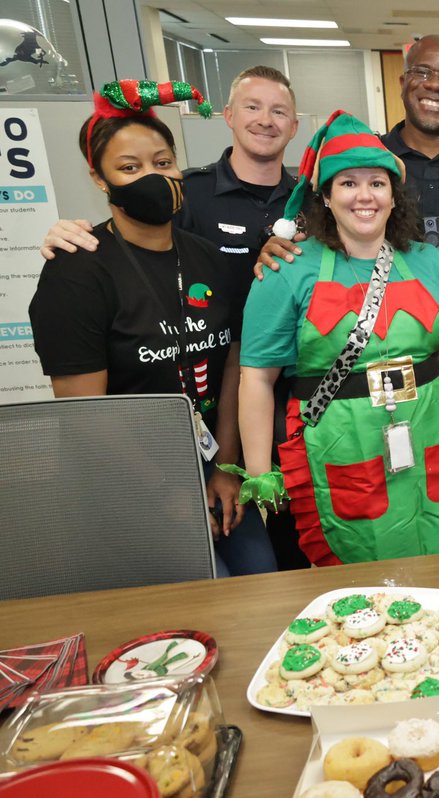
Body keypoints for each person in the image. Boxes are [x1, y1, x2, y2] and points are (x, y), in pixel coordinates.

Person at [258, 36, 439, 548]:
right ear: (403, 83)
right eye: (424, 73)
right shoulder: (369, 158)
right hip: (359, 401)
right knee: (365, 529)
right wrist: (280, 242)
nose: (435, 87)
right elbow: (306, 227)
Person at [40, 65, 305, 570]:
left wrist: (226, 466)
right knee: (198, 605)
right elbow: (87, 414)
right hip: (133, 481)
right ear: (98, 178)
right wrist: (170, 492)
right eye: (130, 167)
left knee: (261, 584)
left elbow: (232, 361)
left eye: (162, 161)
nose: (153, 178)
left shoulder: (205, 258)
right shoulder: (77, 273)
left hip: (215, 465)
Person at [236, 110, 439, 566]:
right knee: (359, 580)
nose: (365, 196)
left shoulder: (428, 261)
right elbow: (256, 378)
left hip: (426, 442)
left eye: (377, 183)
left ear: (394, 195)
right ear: (324, 195)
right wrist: (261, 473)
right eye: (348, 183)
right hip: (341, 448)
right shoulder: (287, 269)